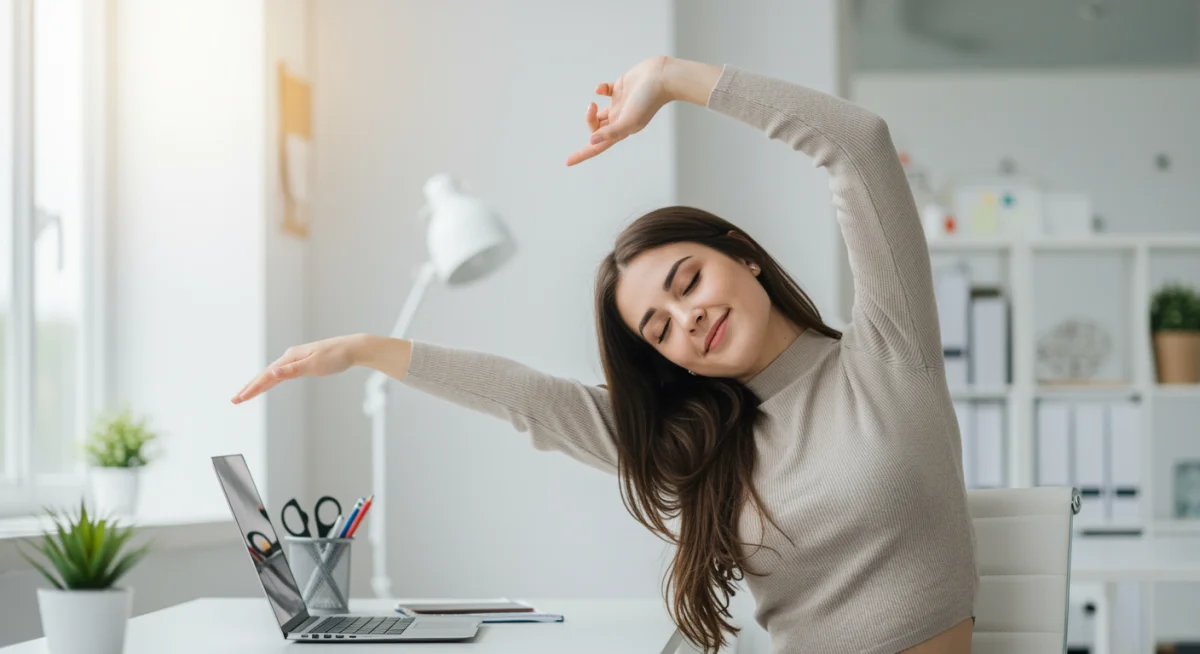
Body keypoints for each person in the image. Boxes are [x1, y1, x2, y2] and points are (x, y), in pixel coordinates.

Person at [232, 56, 978, 654]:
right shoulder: (700, 444)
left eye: (688, 281)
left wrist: (672, 79)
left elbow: (858, 146)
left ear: (743, 255)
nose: (689, 319)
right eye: (659, 330)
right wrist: (367, 350)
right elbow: (533, 401)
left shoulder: (889, 352)